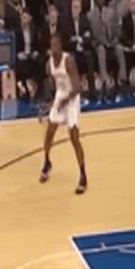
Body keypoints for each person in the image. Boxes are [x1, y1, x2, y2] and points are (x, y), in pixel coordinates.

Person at [40, 33, 88, 195]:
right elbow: (53, 85)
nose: (53, 48)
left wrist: (64, 101)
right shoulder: (49, 64)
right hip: (61, 95)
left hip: (72, 97)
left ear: (60, 46)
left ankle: (83, 175)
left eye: (55, 45)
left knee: (74, 136)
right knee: (49, 132)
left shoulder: (68, 61)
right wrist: (51, 103)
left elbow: (78, 88)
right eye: (51, 45)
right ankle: (47, 162)